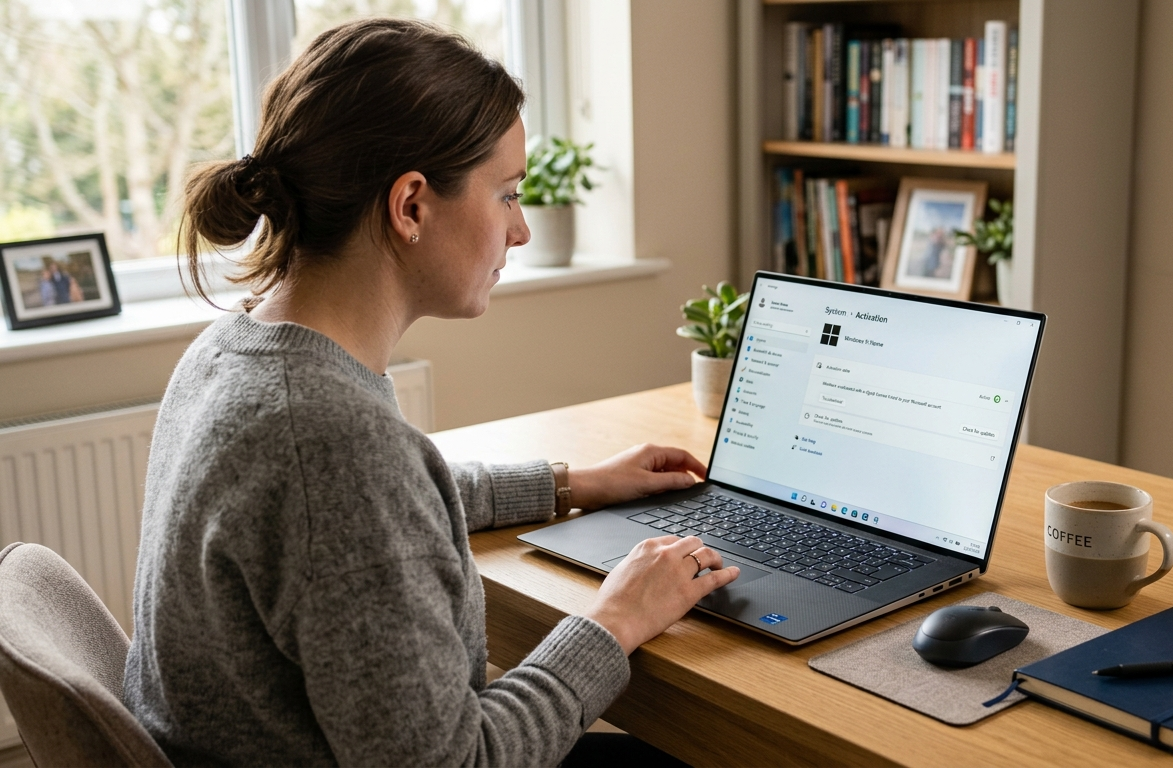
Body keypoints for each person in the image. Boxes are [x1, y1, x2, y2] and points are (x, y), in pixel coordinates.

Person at [123, 17, 739, 768]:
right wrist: (615, 618)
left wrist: (574, 483)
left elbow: (383, 509)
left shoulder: (239, 350)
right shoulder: (332, 443)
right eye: (507, 195)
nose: (520, 232)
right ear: (410, 205)